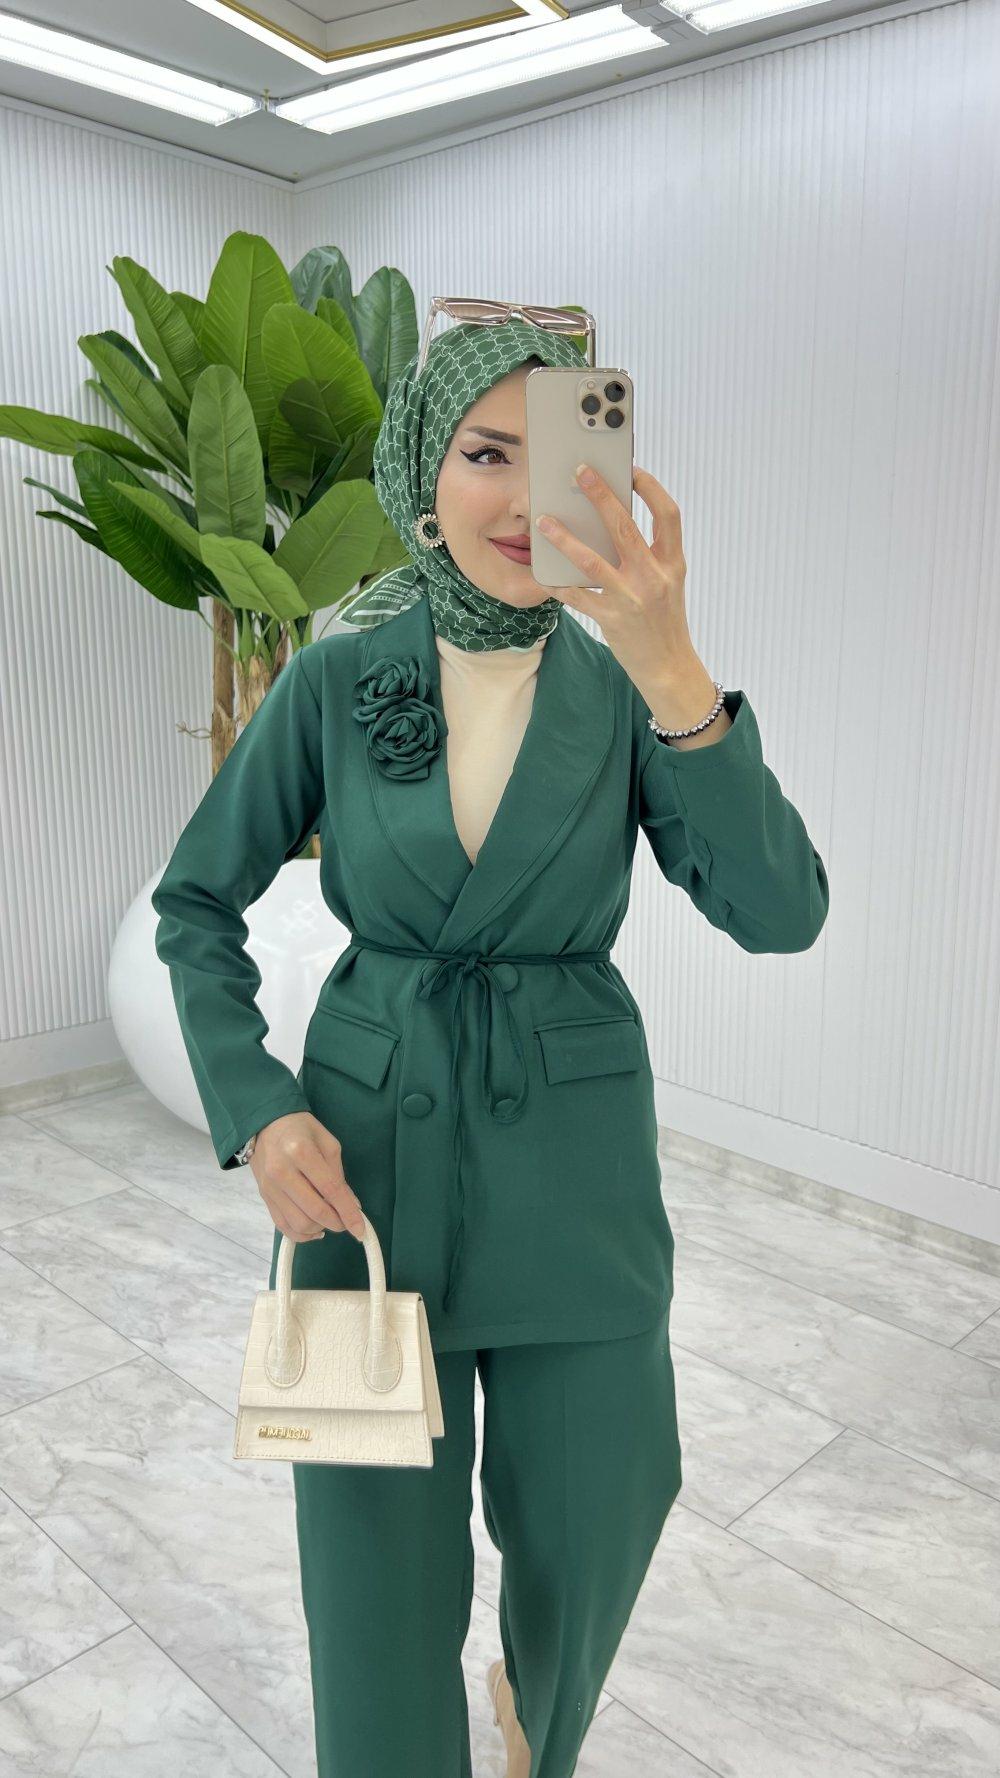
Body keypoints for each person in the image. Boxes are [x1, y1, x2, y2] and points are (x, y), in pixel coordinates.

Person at [151, 317, 829, 1778]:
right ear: (425, 473)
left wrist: (675, 668)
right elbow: (195, 899)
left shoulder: (629, 690)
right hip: (365, 1165)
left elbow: (783, 916)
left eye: (560, 456)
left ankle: (536, 1714)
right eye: (486, 453)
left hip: (571, 1161)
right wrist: (255, 1104)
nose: (525, 500)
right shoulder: (338, 678)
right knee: (373, 1572)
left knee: (607, 1498)